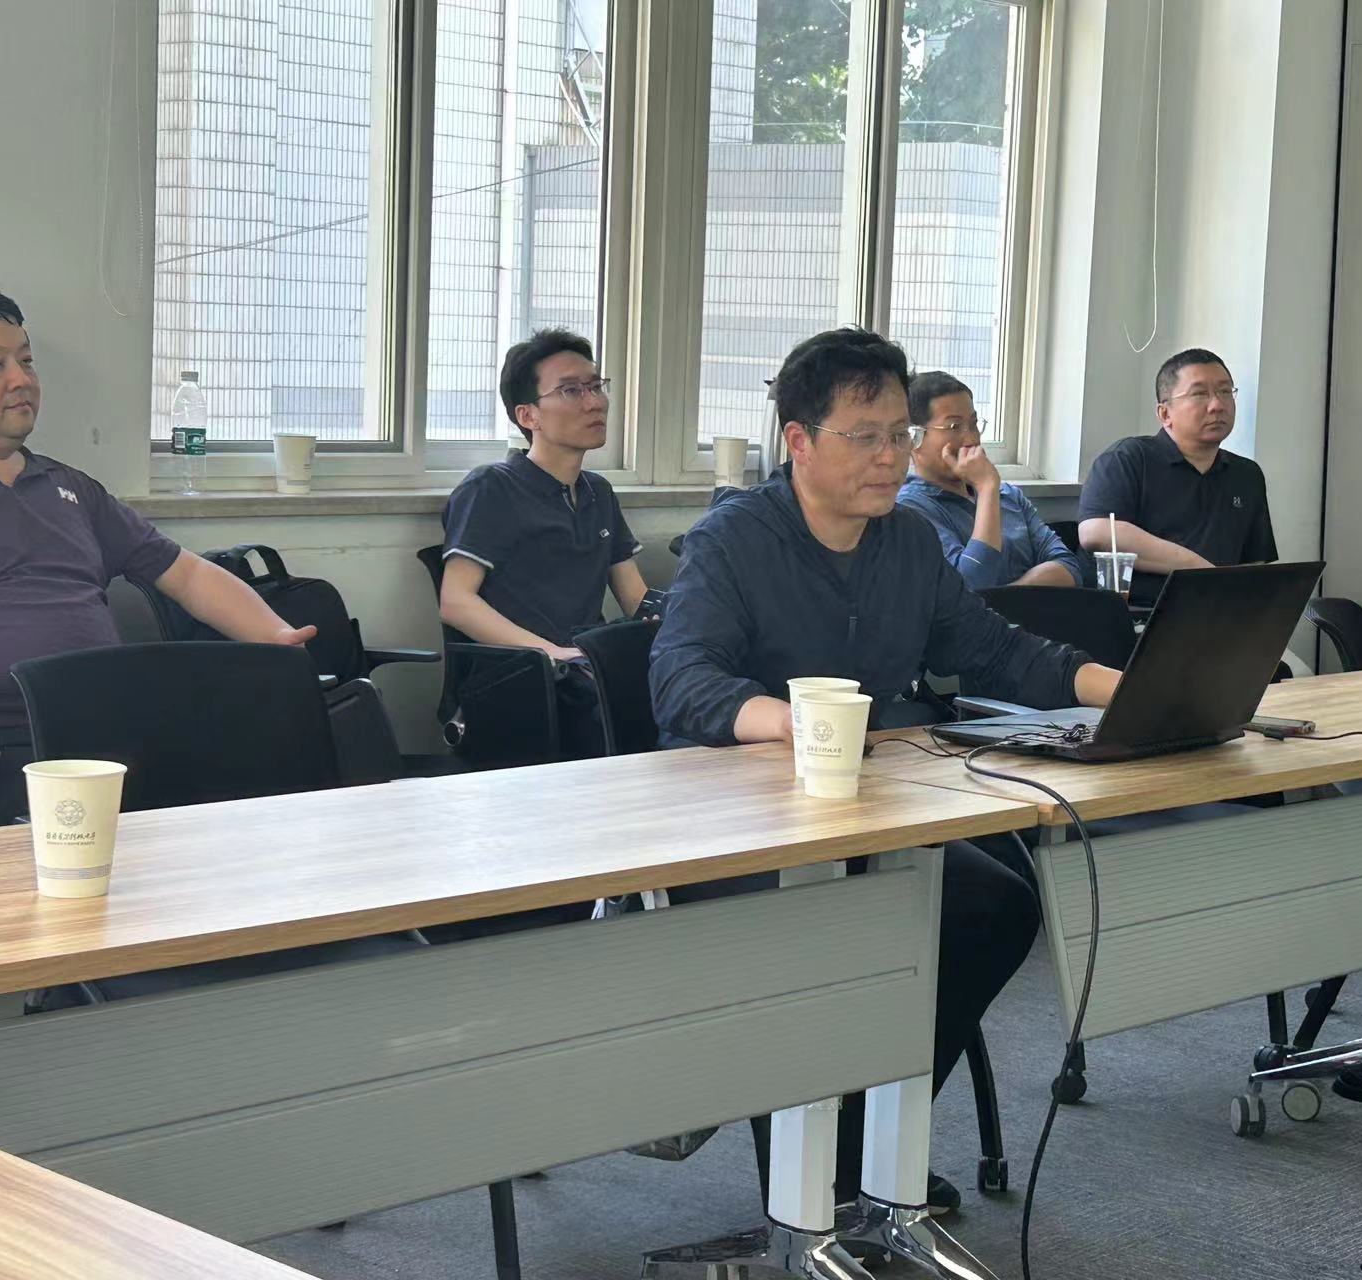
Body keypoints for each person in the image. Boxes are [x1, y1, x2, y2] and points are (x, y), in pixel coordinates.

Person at [650, 326, 1121, 1213]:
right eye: (863, 436)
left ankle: (867, 1141)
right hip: (735, 820)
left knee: (995, 909)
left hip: (857, 809)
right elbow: (681, 680)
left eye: (898, 434)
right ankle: (810, 1178)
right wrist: (792, 723)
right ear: (798, 440)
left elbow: (997, 651)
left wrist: (1128, 691)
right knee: (825, 933)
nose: (888, 456)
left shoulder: (904, 541)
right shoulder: (733, 539)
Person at [0, 276, 317, 830]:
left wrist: (275, 637)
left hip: (107, 736)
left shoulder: (72, 489)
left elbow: (187, 575)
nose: (22, 379)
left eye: (27, 362)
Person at [440, 328, 653, 759]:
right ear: (528, 415)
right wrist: (554, 653)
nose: (595, 402)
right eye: (571, 390)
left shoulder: (598, 492)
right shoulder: (492, 488)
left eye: (596, 386)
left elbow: (637, 599)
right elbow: (456, 603)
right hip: (522, 677)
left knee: (694, 687)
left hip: (585, 667)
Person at [1078, 347, 1277, 606]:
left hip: (1215, 614)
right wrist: (1200, 570)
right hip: (1136, 613)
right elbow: (1096, 532)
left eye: (1225, 391)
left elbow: (1253, 563)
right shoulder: (1129, 458)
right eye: (1199, 394)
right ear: (1165, 414)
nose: (1217, 405)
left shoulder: (1247, 475)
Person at [896, 370, 1085, 590]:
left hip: (1032, 613)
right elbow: (969, 586)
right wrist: (986, 489)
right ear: (914, 437)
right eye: (954, 427)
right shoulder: (910, 509)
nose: (971, 438)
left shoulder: (1008, 496)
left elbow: (1069, 567)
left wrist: (1005, 600)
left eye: (974, 423)